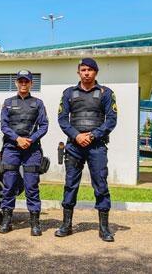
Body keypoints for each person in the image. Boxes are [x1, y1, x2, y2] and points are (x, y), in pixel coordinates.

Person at [56, 57, 117, 242]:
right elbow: (62, 119)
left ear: (96, 73)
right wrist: (77, 135)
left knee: (101, 185)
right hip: (74, 146)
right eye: (83, 70)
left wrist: (92, 135)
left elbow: (111, 120)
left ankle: (104, 228)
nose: (86, 73)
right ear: (78, 72)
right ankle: (66, 225)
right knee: (70, 184)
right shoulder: (68, 93)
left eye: (90, 70)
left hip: (96, 146)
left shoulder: (106, 93)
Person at [0, 70, 49, 236]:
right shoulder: (8, 102)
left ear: (31, 83)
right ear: (16, 83)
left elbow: (44, 125)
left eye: (26, 81)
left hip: (32, 149)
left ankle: (35, 222)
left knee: (31, 185)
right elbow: (4, 126)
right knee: (9, 184)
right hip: (12, 148)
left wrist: (31, 139)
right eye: (21, 81)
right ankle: (7, 220)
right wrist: (17, 138)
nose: (23, 84)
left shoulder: (38, 103)